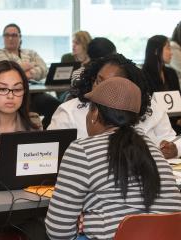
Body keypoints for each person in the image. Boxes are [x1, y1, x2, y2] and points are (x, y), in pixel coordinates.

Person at [45, 77, 181, 240]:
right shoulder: (153, 148)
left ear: (94, 113)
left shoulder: (81, 150)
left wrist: (86, 221)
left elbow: (58, 232)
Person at [48, 54, 181, 159]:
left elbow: (172, 139)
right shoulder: (69, 111)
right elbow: (50, 153)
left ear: (130, 87)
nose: (102, 88)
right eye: (99, 80)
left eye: (112, 85)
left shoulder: (150, 109)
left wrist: (174, 148)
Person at [0, 23, 61, 128]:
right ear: (3, 37)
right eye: (7, 35)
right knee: (26, 111)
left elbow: (44, 69)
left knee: (56, 105)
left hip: (34, 93)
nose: (10, 38)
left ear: (20, 37)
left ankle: (43, 131)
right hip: (11, 93)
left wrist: (29, 73)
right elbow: (5, 70)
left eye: (14, 35)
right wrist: (30, 65)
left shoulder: (30, 52)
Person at [142, 35, 181, 134]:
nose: (171, 53)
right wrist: (175, 121)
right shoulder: (143, 75)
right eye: (168, 48)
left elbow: (178, 99)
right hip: (156, 126)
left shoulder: (171, 73)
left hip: (177, 123)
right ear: (156, 51)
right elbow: (148, 108)